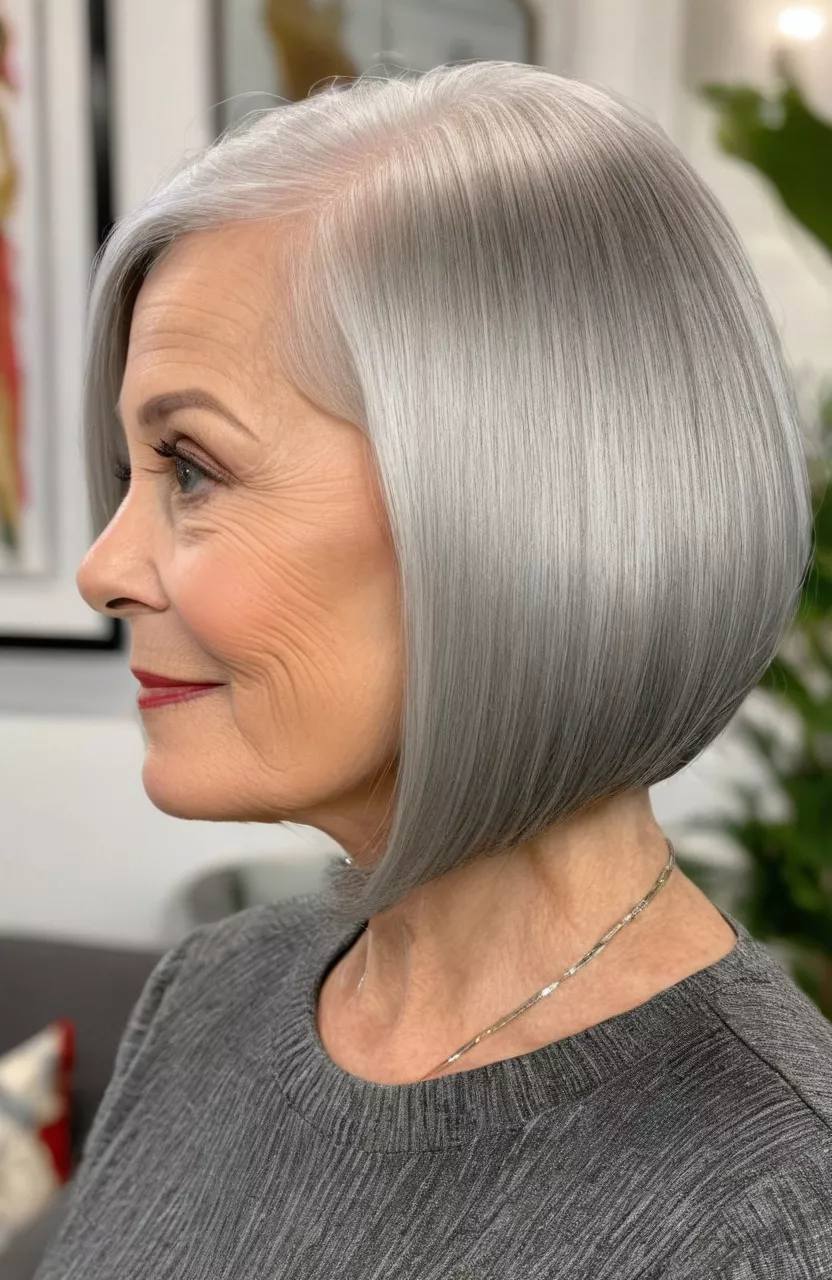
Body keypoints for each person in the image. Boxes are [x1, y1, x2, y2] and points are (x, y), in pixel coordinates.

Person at [34, 62, 831, 1279]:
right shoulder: (211, 992)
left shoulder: (770, 1209)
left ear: (510, 508)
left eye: (191, 467)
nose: (105, 567)